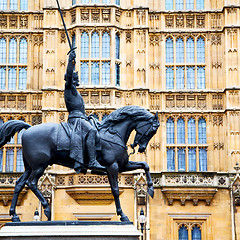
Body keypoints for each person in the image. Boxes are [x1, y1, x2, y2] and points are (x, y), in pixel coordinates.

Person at [64, 50, 104, 173]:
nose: (78, 79)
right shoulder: (69, 88)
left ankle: (94, 161)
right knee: (91, 131)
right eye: (76, 78)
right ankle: (92, 161)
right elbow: (69, 75)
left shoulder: (75, 92)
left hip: (82, 118)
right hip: (76, 120)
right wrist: (70, 62)